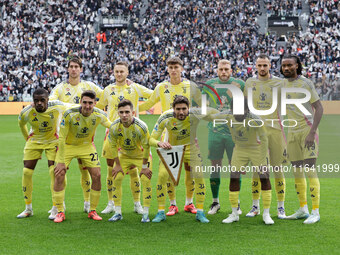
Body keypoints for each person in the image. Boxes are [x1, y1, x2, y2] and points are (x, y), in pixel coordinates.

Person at [140, 56, 200, 216]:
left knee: (190, 171)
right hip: (169, 134)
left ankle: (189, 202)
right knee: (169, 172)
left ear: (182, 68)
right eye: (171, 67)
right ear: (168, 69)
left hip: (188, 133)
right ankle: (173, 204)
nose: (174, 70)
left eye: (176, 67)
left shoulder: (190, 86)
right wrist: (131, 106)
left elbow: (201, 105)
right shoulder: (161, 87)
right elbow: (148, 104)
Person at [49, 56, 103, 215]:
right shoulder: (60, 88)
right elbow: (51, 102)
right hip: (66, 138)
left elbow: (106, 95)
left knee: (86, 170)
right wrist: (74, 107)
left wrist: (124, 82)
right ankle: (58, 205)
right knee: (59, 171)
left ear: (81, 69)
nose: (73, 69)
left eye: (76, 66)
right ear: (68, 68)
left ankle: (88, 203)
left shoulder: (88, 86)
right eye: (71, 66)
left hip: (85, 138)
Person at [97, 61, 152, 214]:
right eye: (117, 71)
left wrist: (142, 109)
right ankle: (111, 203)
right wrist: (108, 124)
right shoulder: (108, 90)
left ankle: (137, 204)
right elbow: (99, 108)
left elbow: (153, 95)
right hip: (113, 134)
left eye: (122, 71)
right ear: (113, 73)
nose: (119, 74)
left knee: (134, 170)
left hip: (132, 134)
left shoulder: (134, 88)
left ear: (127, 73)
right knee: (111, 170)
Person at [53, 90, 112, 223]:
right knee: (59, 174)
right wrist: (61, 161)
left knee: (97, 175)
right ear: (80, 102)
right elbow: (61, 138)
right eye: (84, 102)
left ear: (95, 103)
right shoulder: (70, 114)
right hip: (68, 145)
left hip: (86, 146)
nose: (87, 106)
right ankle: (60, 211)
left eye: (90, 103)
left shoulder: (99, 114)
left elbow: (111, 126)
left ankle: (92, 210)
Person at [149, 96, 210, 223]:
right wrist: (159, 143)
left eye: (184, 109)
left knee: (199, 175)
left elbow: (215, 116)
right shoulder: (165, 117)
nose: (181, 112)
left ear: (189, 108)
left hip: (191, 148)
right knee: (162, 176)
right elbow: (151, 139)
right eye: (178, 109)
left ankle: (200, 211)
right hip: (172, 148)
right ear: (173, 109)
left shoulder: (195, 114)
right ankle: (161, 211)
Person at [280, 54, 323, 224]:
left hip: (307, 130)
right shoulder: (281, 84)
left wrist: (312, 132)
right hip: (292, 132)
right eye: (284, 66)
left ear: (297, 66)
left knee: (310, 169)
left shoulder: (305, 83)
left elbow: (319, 108)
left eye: (289, 65)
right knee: (297, 171)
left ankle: (315, 211)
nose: (286, 68)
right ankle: (302, 208)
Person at [244, 54, 287, 219]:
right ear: (256, 66)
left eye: (265, 65)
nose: (262, 68)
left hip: (276, 130)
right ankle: (255, 206)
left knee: (278, 169)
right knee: (257, 169)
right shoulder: (250, 83)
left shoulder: (279, 83)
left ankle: (280, 208)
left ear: (270, 66)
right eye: (260, 65)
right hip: (256, 132)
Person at [17, 88, 71, 219]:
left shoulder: (57, 106)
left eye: (42, 100)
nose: (39, 103)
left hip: (53, 140)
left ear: (48, 100)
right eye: (36, 101)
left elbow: (73, 108)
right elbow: (21, 124)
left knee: (55, 171)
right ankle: (28, 208)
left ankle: (56, 206)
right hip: (35, 140)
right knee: (26, 172)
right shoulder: (26, 112)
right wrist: (27, 138)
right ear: (33, 101)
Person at [202, 59, 244, 215]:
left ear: (231, 70)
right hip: (215, 132)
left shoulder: (240, 84)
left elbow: (245, 107)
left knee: (235, 168)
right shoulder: (210, 85)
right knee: (215, 167)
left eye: (227, 69)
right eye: (221, 69)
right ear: (217, 70)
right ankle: (215, 202)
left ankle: (236, 203)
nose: (224, 72)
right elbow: (203, 107)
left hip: (234, 133)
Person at [221, 101, 274, 225]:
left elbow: (264, 138)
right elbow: (211, 115)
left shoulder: (255, 119)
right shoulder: (227, 116)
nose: (238, 113)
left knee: (264, 177)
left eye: (241, 110)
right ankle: (234, 213)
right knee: (233, 177)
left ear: (247, 110)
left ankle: (266, 214)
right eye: (235, 110)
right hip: (240, 149)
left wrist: (262, 158)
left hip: (257, 148)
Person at [107, 99, 152, 223]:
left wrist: (144, 166)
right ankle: (117, 212)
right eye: (121, 112)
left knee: (145, 179)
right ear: (118, 113)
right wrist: (117, 164)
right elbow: (112, 146)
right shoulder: (114, 126)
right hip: (125, 156)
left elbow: (147, 147)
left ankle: (146, 214)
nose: (124, 115)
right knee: (116, 178)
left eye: (127, 112)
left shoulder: (141, 126)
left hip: (141, 156)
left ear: (133, 112)